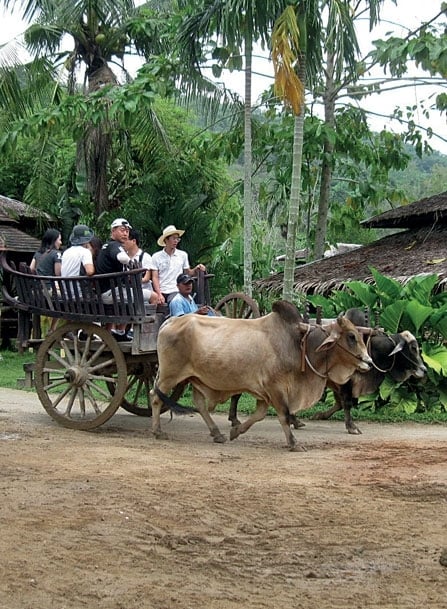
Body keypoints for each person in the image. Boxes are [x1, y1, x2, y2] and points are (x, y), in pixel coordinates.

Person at [150, 224, 206, 304]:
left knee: (177, 300)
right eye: (173, 238)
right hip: (162, 290)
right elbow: (155, 277)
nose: (176, 241)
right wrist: (159, 294)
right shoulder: (156, 256)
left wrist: (197, 269)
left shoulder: (182, 255)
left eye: (177, 239)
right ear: (166, 240)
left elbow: (188, 272)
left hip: (176, 290)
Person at [29, 228, 63, 334]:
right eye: (59, 240)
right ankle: (53, 329)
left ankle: (52, 330)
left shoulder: (38, 253)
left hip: (36, 291)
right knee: (68, 298)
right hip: (48, 291)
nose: (61, 242)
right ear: (54, 240)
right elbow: (58, 274)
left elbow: (31, 269)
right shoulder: (56, 254)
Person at [125, 228, 157, 305]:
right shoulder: (123, 256)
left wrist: (130, 279)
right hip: (129, 294)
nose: (123, 243)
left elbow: (146, 278)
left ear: (134, 241)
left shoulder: (145, 257)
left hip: (144, 292)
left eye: (126, 240)